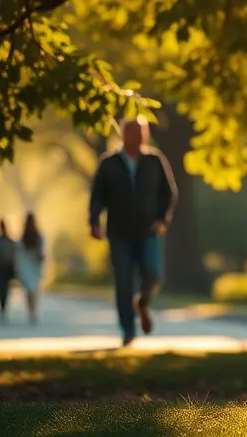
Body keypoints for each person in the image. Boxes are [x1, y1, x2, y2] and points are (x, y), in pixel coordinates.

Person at [89, 116, 179, 346]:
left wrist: (162, 219)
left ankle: (143, 304)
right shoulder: (109, 163)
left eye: (141, 132)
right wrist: (94, 222)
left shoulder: (154, 160)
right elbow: (97, 196)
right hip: (119, 232)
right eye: (132, 132)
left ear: (145, 135)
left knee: (153, 273)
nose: (137, 136)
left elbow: (169, 193)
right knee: (123, 282)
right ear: (123, 134)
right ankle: (128, 330)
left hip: (147, 230)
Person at [16, 213, 46, 325]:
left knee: (29, 291)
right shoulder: (35, 236)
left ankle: (31, 311)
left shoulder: (26, 237)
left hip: (28, 267)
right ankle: (33, 311)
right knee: (34, 291)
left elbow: (19, 254)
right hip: (33, 266)